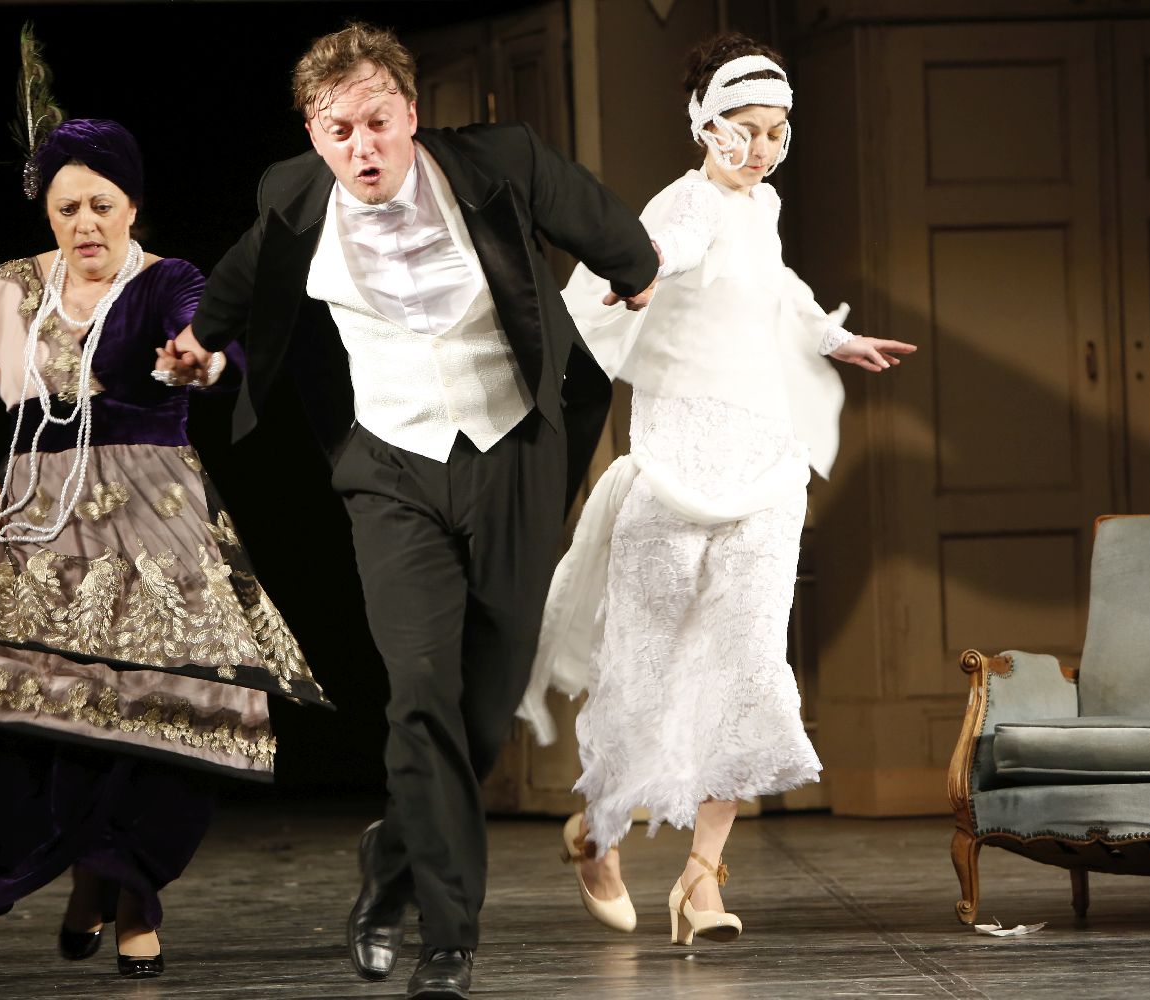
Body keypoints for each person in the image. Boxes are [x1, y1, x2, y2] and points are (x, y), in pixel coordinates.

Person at [160, 21, 656, 1000]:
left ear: (412, 113)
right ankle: (447, 940)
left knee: (483, 711)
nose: (363, 147)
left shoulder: (498, 163)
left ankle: (393, 851)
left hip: (512, 452)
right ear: (315, 135)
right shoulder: (294, 197)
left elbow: (597, 219)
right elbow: (238, 281)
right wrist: (203, 346)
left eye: (378, 122)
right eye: (339, 130)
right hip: (389, 467)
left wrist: (633, 271)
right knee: (421, 686)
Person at [0, 31, 326, 981]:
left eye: (102, 205)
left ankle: (133, 893)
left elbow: (211, 344)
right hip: (41, 525)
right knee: (65, 719)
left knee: (163, 711)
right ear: (46, 211)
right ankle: (94, 874)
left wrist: (200, 363)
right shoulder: (11, 289)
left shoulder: (167, 280)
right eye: (66, 208)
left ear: (133, 205)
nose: (85, 224)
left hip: (154, 522)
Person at [518, 33, 916, 946]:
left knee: (749, 666)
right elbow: (662, 251)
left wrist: (834, 338)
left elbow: (777, 289)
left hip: (766, 466)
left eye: (776, 132)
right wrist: (644, 275)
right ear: (705, 124)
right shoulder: (684, 204)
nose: (761, 149)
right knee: (646, 666)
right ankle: (600, 834)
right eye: (745, 130)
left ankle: (702, 879)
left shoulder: (762, 204)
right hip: (677, 469)